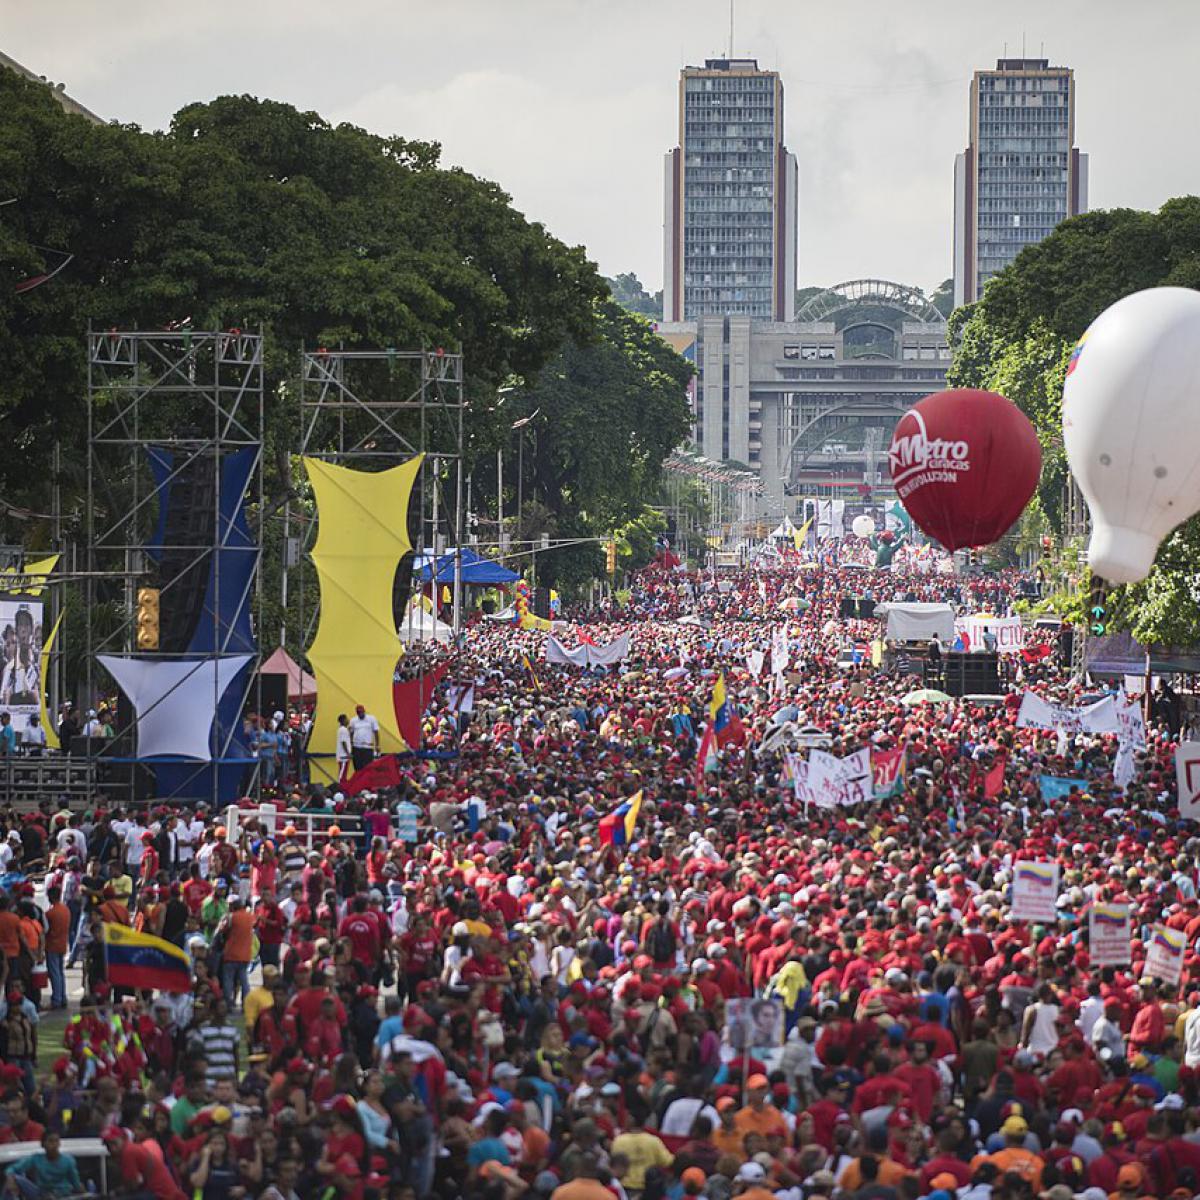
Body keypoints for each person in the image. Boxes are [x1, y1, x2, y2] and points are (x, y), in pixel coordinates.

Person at [3, 1129, 83, 1198]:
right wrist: (10, 1179)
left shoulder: (68, 1160)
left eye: (56, 1141)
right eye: (51, 1141)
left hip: (63, 1195)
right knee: (13, 1179)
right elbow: (12, 1169)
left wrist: (81, 1190)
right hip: (41, 1194)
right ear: (43, 1144)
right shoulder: (36, 1159)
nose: (54, 1145)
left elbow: (75, 1183)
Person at [347, 704, 380, 771]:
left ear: (364, 711)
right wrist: (350, 745)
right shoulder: (353, 720)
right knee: (358, 767)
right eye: (359, 712)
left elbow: (376, 732)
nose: (360, 714)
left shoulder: (371, 719)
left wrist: (377, 745)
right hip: (356, 747)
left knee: (367, 767)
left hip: (367, 747)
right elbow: (351, 733)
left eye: (361, 712)